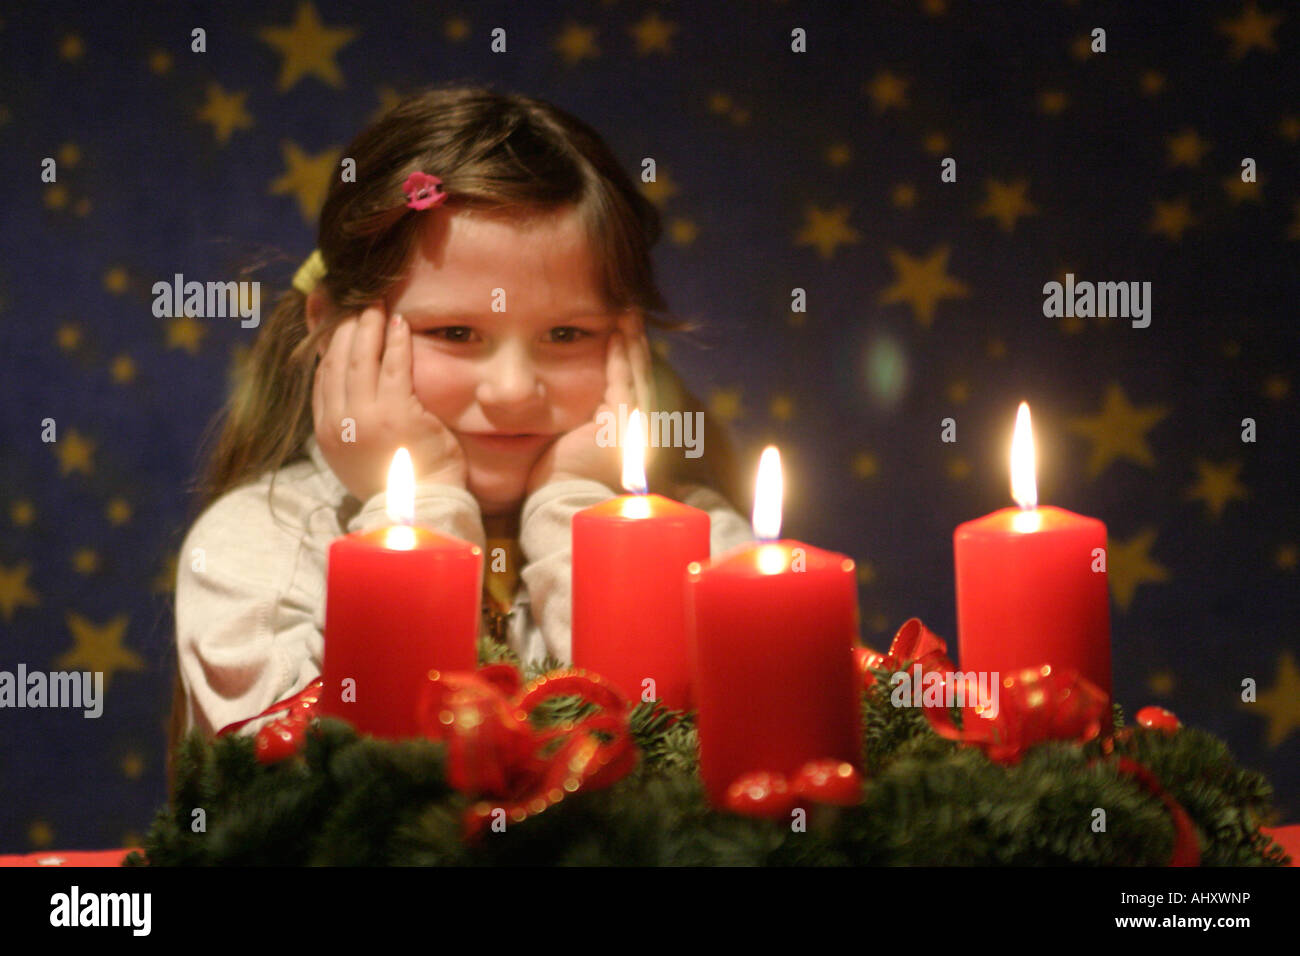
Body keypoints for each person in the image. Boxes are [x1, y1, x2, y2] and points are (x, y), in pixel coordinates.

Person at [170, 84, 755, 756]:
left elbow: (689, 781)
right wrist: (415, 509)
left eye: (566, 334)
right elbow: (347, 800)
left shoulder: (705, 543)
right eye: (455, 331)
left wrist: (580, 511)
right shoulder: (256, 546)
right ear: (332, 327)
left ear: (629, 344)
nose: (511, 390)